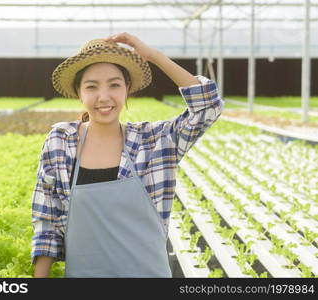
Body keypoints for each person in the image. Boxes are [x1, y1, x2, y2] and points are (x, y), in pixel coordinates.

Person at [31, 32, 224, 278]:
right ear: (79, 92)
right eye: (92, 86)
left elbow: (208, 106)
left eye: (114, 84)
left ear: (127, 89)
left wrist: (154, 57)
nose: (104, 97)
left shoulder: (152, 142)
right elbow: (46, 220)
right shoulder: (61, 141)